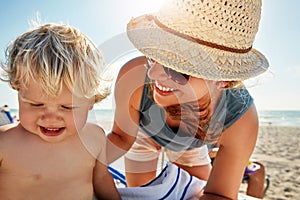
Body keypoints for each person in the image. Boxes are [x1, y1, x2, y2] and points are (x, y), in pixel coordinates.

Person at [107, 0, 269, 199]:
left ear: (223, 79)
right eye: (153, 56)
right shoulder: (134, 78)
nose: (154, 72)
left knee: (195, 191)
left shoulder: (240, 119)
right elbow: (121, 137)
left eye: (175, 68)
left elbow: (220, 194)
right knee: (145, 194)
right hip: (143, 131)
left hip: (193, 143)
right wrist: (83, 164)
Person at [0, 23, 120, 200]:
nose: (50, 118)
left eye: (67, 107)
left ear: (91, 102)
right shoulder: (5, 143)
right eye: (36, 104)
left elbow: (101, 178)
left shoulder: (95, 137)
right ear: (18, 92)